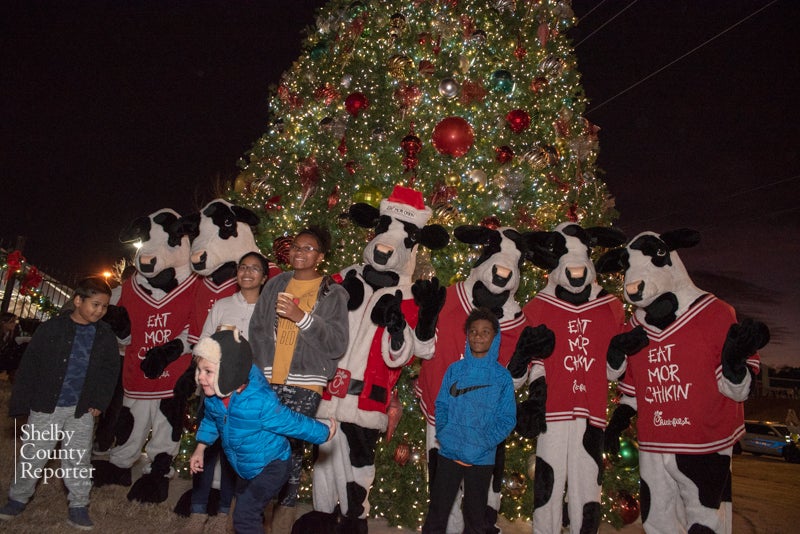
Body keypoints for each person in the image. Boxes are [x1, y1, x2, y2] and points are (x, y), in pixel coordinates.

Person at [248, 225, 348, 533]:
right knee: (259, 449)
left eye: (307, 249)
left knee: (288, 455)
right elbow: (258, 331)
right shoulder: (276, 283)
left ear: (320, 256)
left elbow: (336, 343)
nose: (299, 253)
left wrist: (300, 316)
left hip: (305, 384)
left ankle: (281, 523)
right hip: (268, 380)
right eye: (295, 247)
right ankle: (251, 520)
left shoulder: (332, 292)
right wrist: (260, 371)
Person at [0, 277, 121, 530]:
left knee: (78, 459)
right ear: (78, 300)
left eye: (104, 307)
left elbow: (110, 371)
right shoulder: (51, 329)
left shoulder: (106, 336)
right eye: (95, 304)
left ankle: (78, 505)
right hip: (46, 407)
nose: (99, 311)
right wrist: (22, 404)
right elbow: (30, 366)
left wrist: (99, 401)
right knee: (34, 455)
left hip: (81, 411)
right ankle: (17, 498)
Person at [189, 328, 336, 533]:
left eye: (208, 372)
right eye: (199, 371)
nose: (201, 378)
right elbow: (211, 421)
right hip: (245, 465)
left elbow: (292, 422)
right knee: (248, 509)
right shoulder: (214, 397)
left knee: (244, 515)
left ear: (230, 372)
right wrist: (201, 448)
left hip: (272, 466)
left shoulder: (259, 402)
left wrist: (324, 432)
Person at [178, 252, 269, 534]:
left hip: (247, 394)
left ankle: (222, 513)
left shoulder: (269, 311)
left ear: (264, 277)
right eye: (243, 267)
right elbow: (203, 344)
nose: (247, 272)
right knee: (207, 447)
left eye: (255, 268)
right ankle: (197, 509)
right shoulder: (222, 305)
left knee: (234, 453)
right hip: (214, 391)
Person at [422, 308, 516, 534]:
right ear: (467, 335)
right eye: (473, 331)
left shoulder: (502, 377)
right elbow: (442, 405)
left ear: (495, 337)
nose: (478, 336)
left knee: (475, 517)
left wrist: (483, 442)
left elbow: (507, 419)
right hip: (449, 452)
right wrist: (444, 433)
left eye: (485, 332)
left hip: (482, 458)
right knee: (437, 511)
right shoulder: (455, 370)